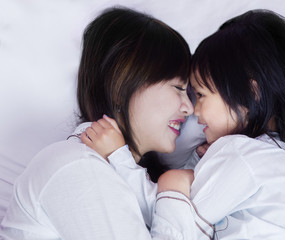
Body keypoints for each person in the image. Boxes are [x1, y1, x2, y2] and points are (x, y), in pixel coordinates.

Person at [82, 9, 285, 239]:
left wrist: (118, 158)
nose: (194, 111)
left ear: (251, 93)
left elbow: (160, 213)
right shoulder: (270, 161)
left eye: (201, 94)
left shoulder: (242, 155)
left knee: (171, 181)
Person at [0, 7, 213, 239]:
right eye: (179, 88)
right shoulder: (77, 167)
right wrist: (176, 189)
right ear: (124, 83)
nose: (189, 108)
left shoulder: (126, 175)